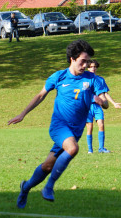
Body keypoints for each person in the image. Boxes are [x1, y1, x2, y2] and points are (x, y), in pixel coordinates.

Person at [8, 39, 109, 206]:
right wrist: (23, 114)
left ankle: (25, 187)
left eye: (87, 62)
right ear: (72, 59)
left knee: (47, 166)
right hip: (59, 127)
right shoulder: (59, 76)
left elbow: (105, 103)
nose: (85, 65)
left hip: (75, 131)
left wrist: (101, 101)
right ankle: (48, 187)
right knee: (73, 148)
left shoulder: (92, 79)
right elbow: (41, 95)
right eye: (83, 61)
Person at [85, 59, 121, 153]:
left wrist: (113, 103)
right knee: (90, 127)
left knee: (101, 125)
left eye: (95, 67)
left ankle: (101, 148)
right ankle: (90, 150)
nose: (93, 68)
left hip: (97, 106)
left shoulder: (100, 79)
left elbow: (105, 94)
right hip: (88, 107)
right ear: (87, 68)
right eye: (91, 67)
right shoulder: (85, 79)